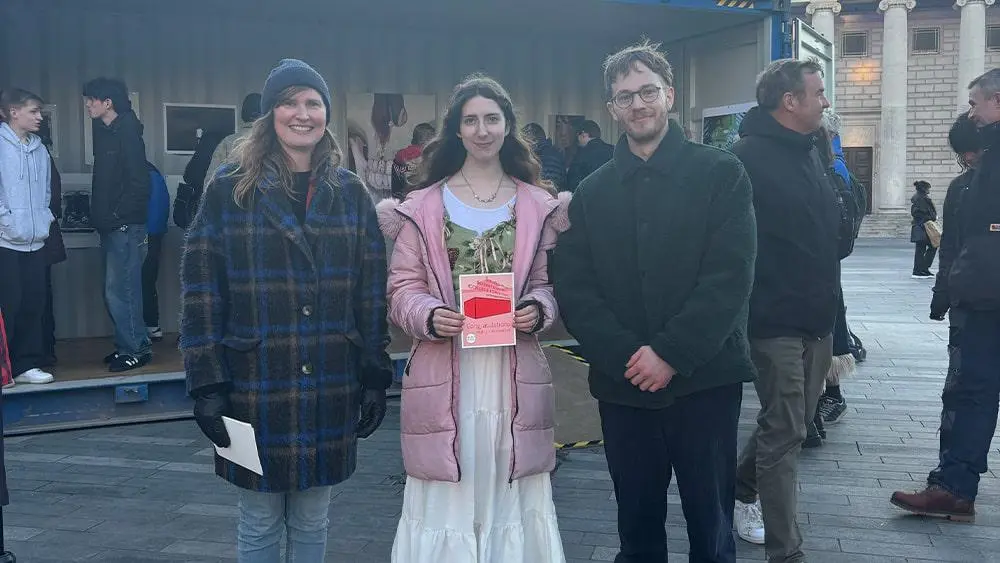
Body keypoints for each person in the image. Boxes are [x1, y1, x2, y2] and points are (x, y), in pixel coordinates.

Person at [180, 58, 393, 562]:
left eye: (313, 103)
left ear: (326, 114)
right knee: (257, 519)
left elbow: (371, 290)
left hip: (330, 378)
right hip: (252, 380)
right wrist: (207, 385)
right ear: (270, 114)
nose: (302, 114)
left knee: (314, 516)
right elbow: (201, 293)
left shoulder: (351, 193)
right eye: (289, 102)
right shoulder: (229, 190)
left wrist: (374, 373)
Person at [552, 41, 757, 563]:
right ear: (611, 108)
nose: (638, 104)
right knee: (636, 523)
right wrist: (626, 354)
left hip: (704, 379)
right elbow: (577, 286)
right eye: (625, 96)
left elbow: (729, 277)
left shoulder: (720, 174)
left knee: (710, 522)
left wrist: (669, 352)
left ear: (669, 93)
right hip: (623, 385)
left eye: (647, 91)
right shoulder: (592, 192)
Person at [380, 74, 567, 563]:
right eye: (471, 120)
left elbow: (551, 284)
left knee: (511, 482)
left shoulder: (536, 204)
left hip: (513, 373)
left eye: (491, 118)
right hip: (446, 371)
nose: (482, 129)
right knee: (450, 485)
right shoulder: (423, 206)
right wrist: (428, 314)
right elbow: (402, 288)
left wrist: (539, 308)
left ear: (507, 126)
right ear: (456, 130)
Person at [730, 59, 840, 562]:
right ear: (788, 100)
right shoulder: (744, 159)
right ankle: (785, 550)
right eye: (817, 92)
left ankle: (737, 484)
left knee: (791, 422)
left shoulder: (813, 149)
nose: (825, 100)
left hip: (818, 316)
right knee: (787, 428)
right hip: (772, 318)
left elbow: (824, 230)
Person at [890, 69, 1000, 522]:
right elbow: (957, 242)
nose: (971, 112)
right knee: (968, 393)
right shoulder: (974, 176)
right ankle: (954, 485)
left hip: (982, 296)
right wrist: (946, 290)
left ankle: (954, 485)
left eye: (976, 103)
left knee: (969, 392)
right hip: (977, 299)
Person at [83, 77, 152, 372]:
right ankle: (129, 344)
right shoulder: (107, 132)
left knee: (123, 290)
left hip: (124, 227)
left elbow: (140, 182)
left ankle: (136, 349)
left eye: (91, 100)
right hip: (112, 227)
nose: (87, 105)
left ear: (107, 103)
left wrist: (118, 217)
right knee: (114, 291)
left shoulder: (126, 133)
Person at [0, 88, 55, 385]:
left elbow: (46, 192)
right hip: (5, 242)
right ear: (12, 111)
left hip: (36, 241)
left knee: (34, 302)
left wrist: (44, 220)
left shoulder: (39, 149)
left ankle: (25, 365)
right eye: (33, 111)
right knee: (10, 303)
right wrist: (6, 223)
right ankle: (4, 368)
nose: (39, 118)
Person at [41, 136, 66, 368]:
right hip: (35, 238)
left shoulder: (38, 152)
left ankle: (42, 351)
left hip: (37, 239)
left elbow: (53, 197)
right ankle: (44, 351)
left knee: (37, 295)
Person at [142, 161, 170, 341]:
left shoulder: (137, 173)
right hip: (156, 233)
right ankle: (152, 324)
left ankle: (141, 327)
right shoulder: (154, 171)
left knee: (136, 283)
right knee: (148, 281)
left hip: (141, 234)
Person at [207, 93, 262, 179]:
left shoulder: (228, 142)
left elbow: (211, 179)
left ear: (243, 114)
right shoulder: (275, 142)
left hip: (232, 192)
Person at [390, 121, 435, 200]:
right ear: (427, 140)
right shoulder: (427, 157)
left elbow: (395, 186)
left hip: (403, 199)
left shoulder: (399, 156)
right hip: (421, 200)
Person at [565, 119, 613, 192]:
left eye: (577, 136)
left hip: (590, 199)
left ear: (584, 134)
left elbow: (572, 182)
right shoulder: (614, 150)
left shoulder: (581, 155)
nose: (578, 140)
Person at [522, 122, 567, 191]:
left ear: (533, 140)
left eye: (524, 141)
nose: (522, 144)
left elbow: (551, 184)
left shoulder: (546, 157)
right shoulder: (554, 153)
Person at [910, 180, 938, 279]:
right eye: (928, 189)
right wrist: (930, 217)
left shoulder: (919, 198)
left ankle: (921, 269)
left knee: (923, 248)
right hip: (922, 227)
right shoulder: (921, 199)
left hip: (921, 226)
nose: (929, 191)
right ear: (924, 189)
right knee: (928, 247)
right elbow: (918, 213)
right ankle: (920, 269)